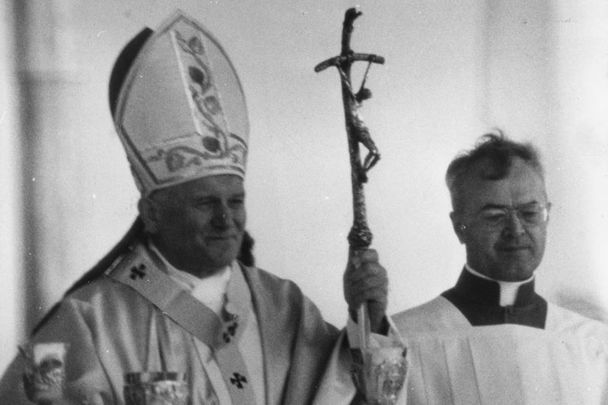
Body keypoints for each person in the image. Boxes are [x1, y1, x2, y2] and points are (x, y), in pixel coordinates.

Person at [0, 11, 388, 404]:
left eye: (235, 201)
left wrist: (367, 321)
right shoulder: (85, 321)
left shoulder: (284, 306)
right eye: (205, 203)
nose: (226, 219)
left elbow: (353, 393)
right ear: (152, 213)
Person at [391, 133, 608, 404]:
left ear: (547, 216)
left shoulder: (593, 343)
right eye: (495, 216)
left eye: (530, 214)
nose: (516, 231)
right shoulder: (402, 341)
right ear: (460, 226)